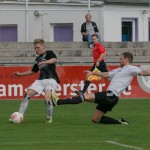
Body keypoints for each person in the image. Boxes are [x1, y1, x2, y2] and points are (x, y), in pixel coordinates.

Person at [52, 52, 150, 125]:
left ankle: (58, 101)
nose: (119, 60)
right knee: (95, 119)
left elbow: (143, 73)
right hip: (112, 98)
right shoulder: (120, 69)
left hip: (111, 95)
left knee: (84, 97)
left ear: (126, 60)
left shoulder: (131, 68)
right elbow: (106, 74)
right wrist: (93, 73)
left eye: (120, 59)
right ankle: (120, 122)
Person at [10, 38, 60, 124]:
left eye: (38, 47)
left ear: (43, 46)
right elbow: (33, 71)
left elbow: (54, 60)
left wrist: (46, 62)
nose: (36, 50)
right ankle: (20, 116)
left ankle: (49, 117)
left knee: (47, 98)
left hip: (51, 79)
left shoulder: (49, 53)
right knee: (27, 95)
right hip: (40, 81)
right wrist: (20, 74)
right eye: (35, 48)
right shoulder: (37, 59)